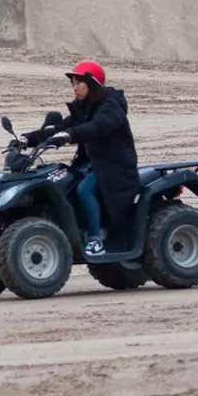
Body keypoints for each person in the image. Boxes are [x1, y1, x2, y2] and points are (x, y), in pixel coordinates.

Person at [50, 59, 138, 259]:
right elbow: (60, 127)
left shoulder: (111, 106)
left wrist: (70, 135)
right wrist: (26, 139)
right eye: (72, 84)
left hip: (115, 167)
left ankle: (95, 239)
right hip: (93, 165)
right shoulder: (85, 108)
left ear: (91, 83)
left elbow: (97, 127)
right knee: (64, 183)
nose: (74, 89)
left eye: (78, 83)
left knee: (84, 189)